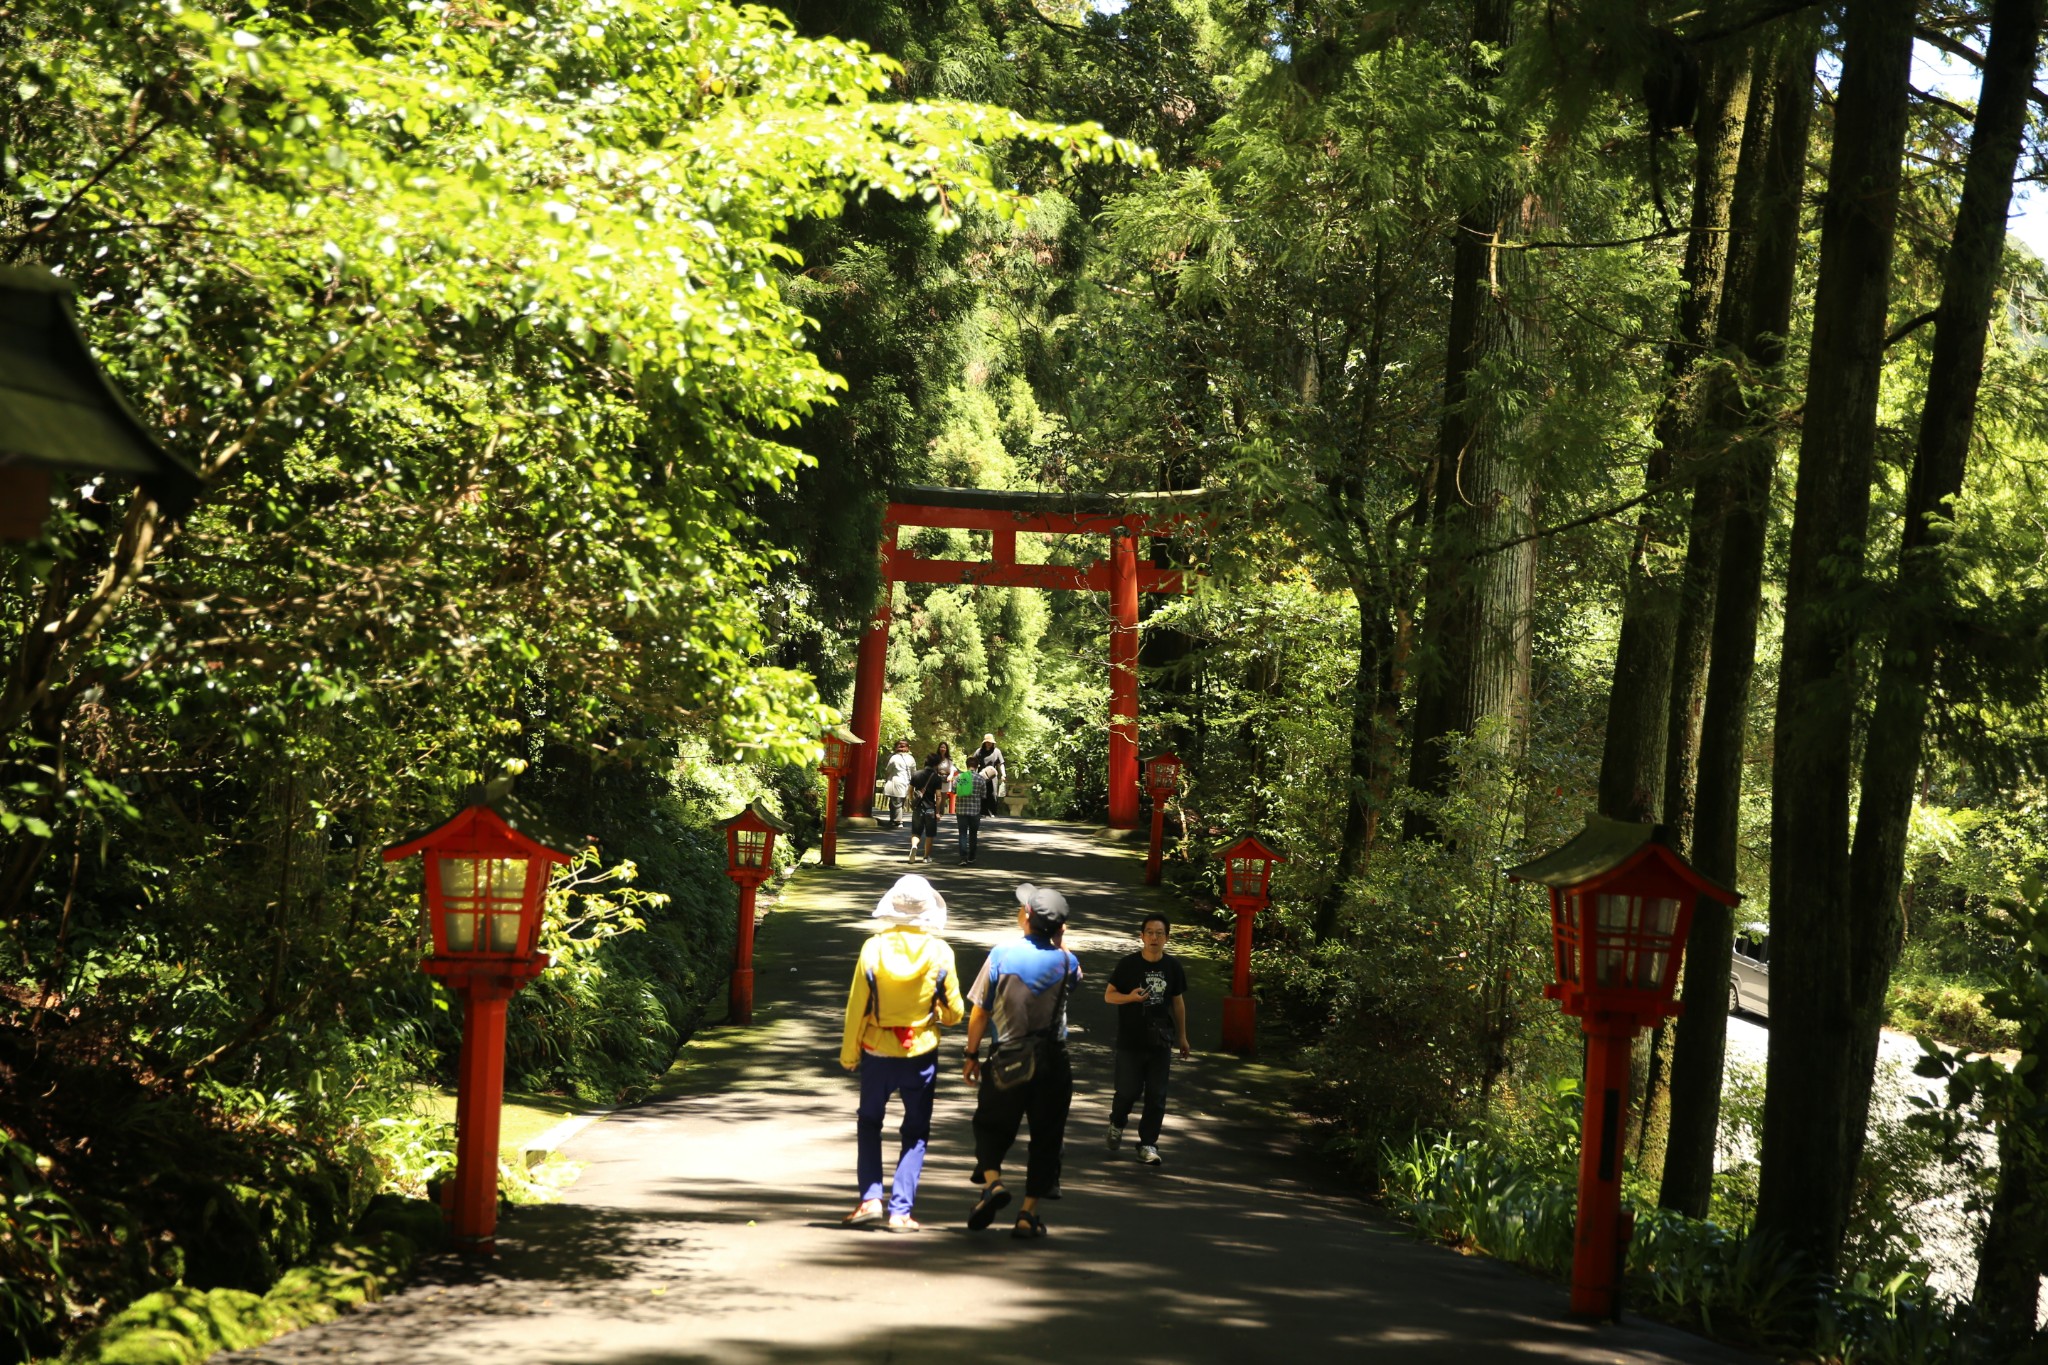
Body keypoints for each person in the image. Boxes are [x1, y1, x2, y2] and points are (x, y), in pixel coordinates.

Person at [838, 874, 964, 1232]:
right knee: (916, 1131)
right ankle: (901, 1211)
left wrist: (850, 1054)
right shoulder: (941, 952)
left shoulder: (873, 948)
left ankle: (870, 1199)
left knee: (869, 1123)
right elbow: (955, 1013)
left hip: (877, 1051)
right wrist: (935, 1016)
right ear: (928, 912)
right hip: (921, 1051)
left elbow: (856, 1008)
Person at [961, 883, 1081, 1239]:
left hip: (1007, 1057)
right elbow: (1072, 978)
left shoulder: (1001, 955)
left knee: (990, 1124)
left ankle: (993, 1183)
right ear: (1060, 928)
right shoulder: (1067, 961)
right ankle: (1028, 1215)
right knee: (1047, 1135)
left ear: (1026, 917)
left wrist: (971, 1055)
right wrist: (1059, 941)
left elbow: (980, 1012)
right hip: (1053, 1060)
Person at [1104, 912, 1191, 1166]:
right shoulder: (1128, 964)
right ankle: (1117, 1122)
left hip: (1160, 1041)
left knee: (1157, 1094)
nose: (1154, 937)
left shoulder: (1173, 967)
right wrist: (1130, 997)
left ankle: (1148, 1144)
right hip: (1131, 1039)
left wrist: (1183, 1037)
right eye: (1150, 933)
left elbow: (1178, 1002)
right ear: (1141, 936)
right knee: (1127, 1091)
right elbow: (1109, 996)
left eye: (1159, 933)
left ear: (1167, 938)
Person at [907, 753, 946, 863]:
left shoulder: (916, 774)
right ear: (936, 764)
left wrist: (912, 801)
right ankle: (926, 857)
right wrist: (938, 811)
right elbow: (938, 796)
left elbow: (910, 790)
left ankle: (914, 846)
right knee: (930, 834)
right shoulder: (937, 778)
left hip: (918, 808)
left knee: (916, 832)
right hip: (930, 809)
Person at [951, 762, 990, 865]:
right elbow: (984, 795)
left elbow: (953, 791)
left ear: (966, 765)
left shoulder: (960, 777)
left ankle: (963, 858)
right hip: (975, 811)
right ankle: (972, 857)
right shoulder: (980, 778)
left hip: (961, 810)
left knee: (962, 834)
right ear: (977, 766)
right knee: (973, 834)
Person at [881, 739, 917, 829]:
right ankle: (894, 820)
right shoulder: (911, 758)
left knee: (896, 802)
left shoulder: (894, 757)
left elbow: (888, 770)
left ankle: (897, 821)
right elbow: (914, 772)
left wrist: (887, 778)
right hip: (907, 782)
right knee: (900, 802)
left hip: (896, 781)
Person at [970, 734, 1006, 818]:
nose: (989, 744)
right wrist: (972, 774)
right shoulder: (979, 751)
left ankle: (992, 812)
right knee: (981, 793)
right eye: (987, 742)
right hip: (981, 775)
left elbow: (1001, 764)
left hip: (992, 776)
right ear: (984, 743)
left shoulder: (997, 751)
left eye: (990, 742)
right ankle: (981, 812)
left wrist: (1003, 774)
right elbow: (973, 763)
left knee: (993, 794)